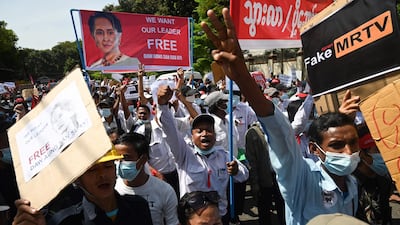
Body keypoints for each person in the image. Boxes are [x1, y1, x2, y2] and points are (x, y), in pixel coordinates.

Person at [201, 8, 361, 224]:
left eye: (353, 143)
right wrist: (242, 76)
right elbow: (280, 131)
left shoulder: (352, 184)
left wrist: (343, 120)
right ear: (314, 149)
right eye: (337, 145)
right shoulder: (301, 178)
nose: (349, 152)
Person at [156, 89, 249, 225]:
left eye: (209, 130)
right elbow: (170, 131)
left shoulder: (223, 155)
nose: (205, 134)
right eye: (199, 131)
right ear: (192, 135)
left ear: (215, 135)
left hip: (219, 218)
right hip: (194, 219)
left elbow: (244, 175)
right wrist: (162, 105)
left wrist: (236, 171)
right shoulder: (184, 155)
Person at [12, 149, 153, 225]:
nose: (102, 175)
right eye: (92, 170)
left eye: (108, 166)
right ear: (78, 179)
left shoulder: (138, 206)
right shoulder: (65, 221)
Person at [114, 133, 179, 225]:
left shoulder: (165, 191)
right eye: (117, 158)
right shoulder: (112, 189)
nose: (120, 163)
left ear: (143, 159)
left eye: (126, 158)